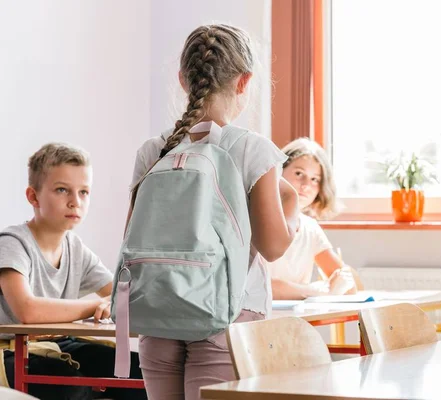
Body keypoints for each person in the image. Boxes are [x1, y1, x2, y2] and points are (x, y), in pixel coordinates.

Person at [129, 24, 299, 399]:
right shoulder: (252, 149)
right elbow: (272, 247)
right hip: (227, 316)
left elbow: (133, 236)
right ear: (244, 82)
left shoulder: (153, 150)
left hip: (157, 317)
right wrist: (294, 207)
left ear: (182, 80)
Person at [0, 143, 146, 400]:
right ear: (33, 197)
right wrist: (94, 307)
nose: (75, 202)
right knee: (71, 387)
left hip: (58, 344)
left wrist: (112, 302)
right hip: (12, 350)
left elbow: (122, 295)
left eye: (84, 192)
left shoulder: (75, 248)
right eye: (62, 190)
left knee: (140, 373)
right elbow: (27, 310)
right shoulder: (12, 243)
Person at [268, 138, 356, 300]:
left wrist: (340, 281)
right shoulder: (261, 218)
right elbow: (261, 286)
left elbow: (348, 287)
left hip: (298, 321)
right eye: (299, 173)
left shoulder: (310, 228)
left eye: (315, 179)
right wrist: (317, 291)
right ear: (279, 171)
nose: (306, 185)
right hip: (260, 322)